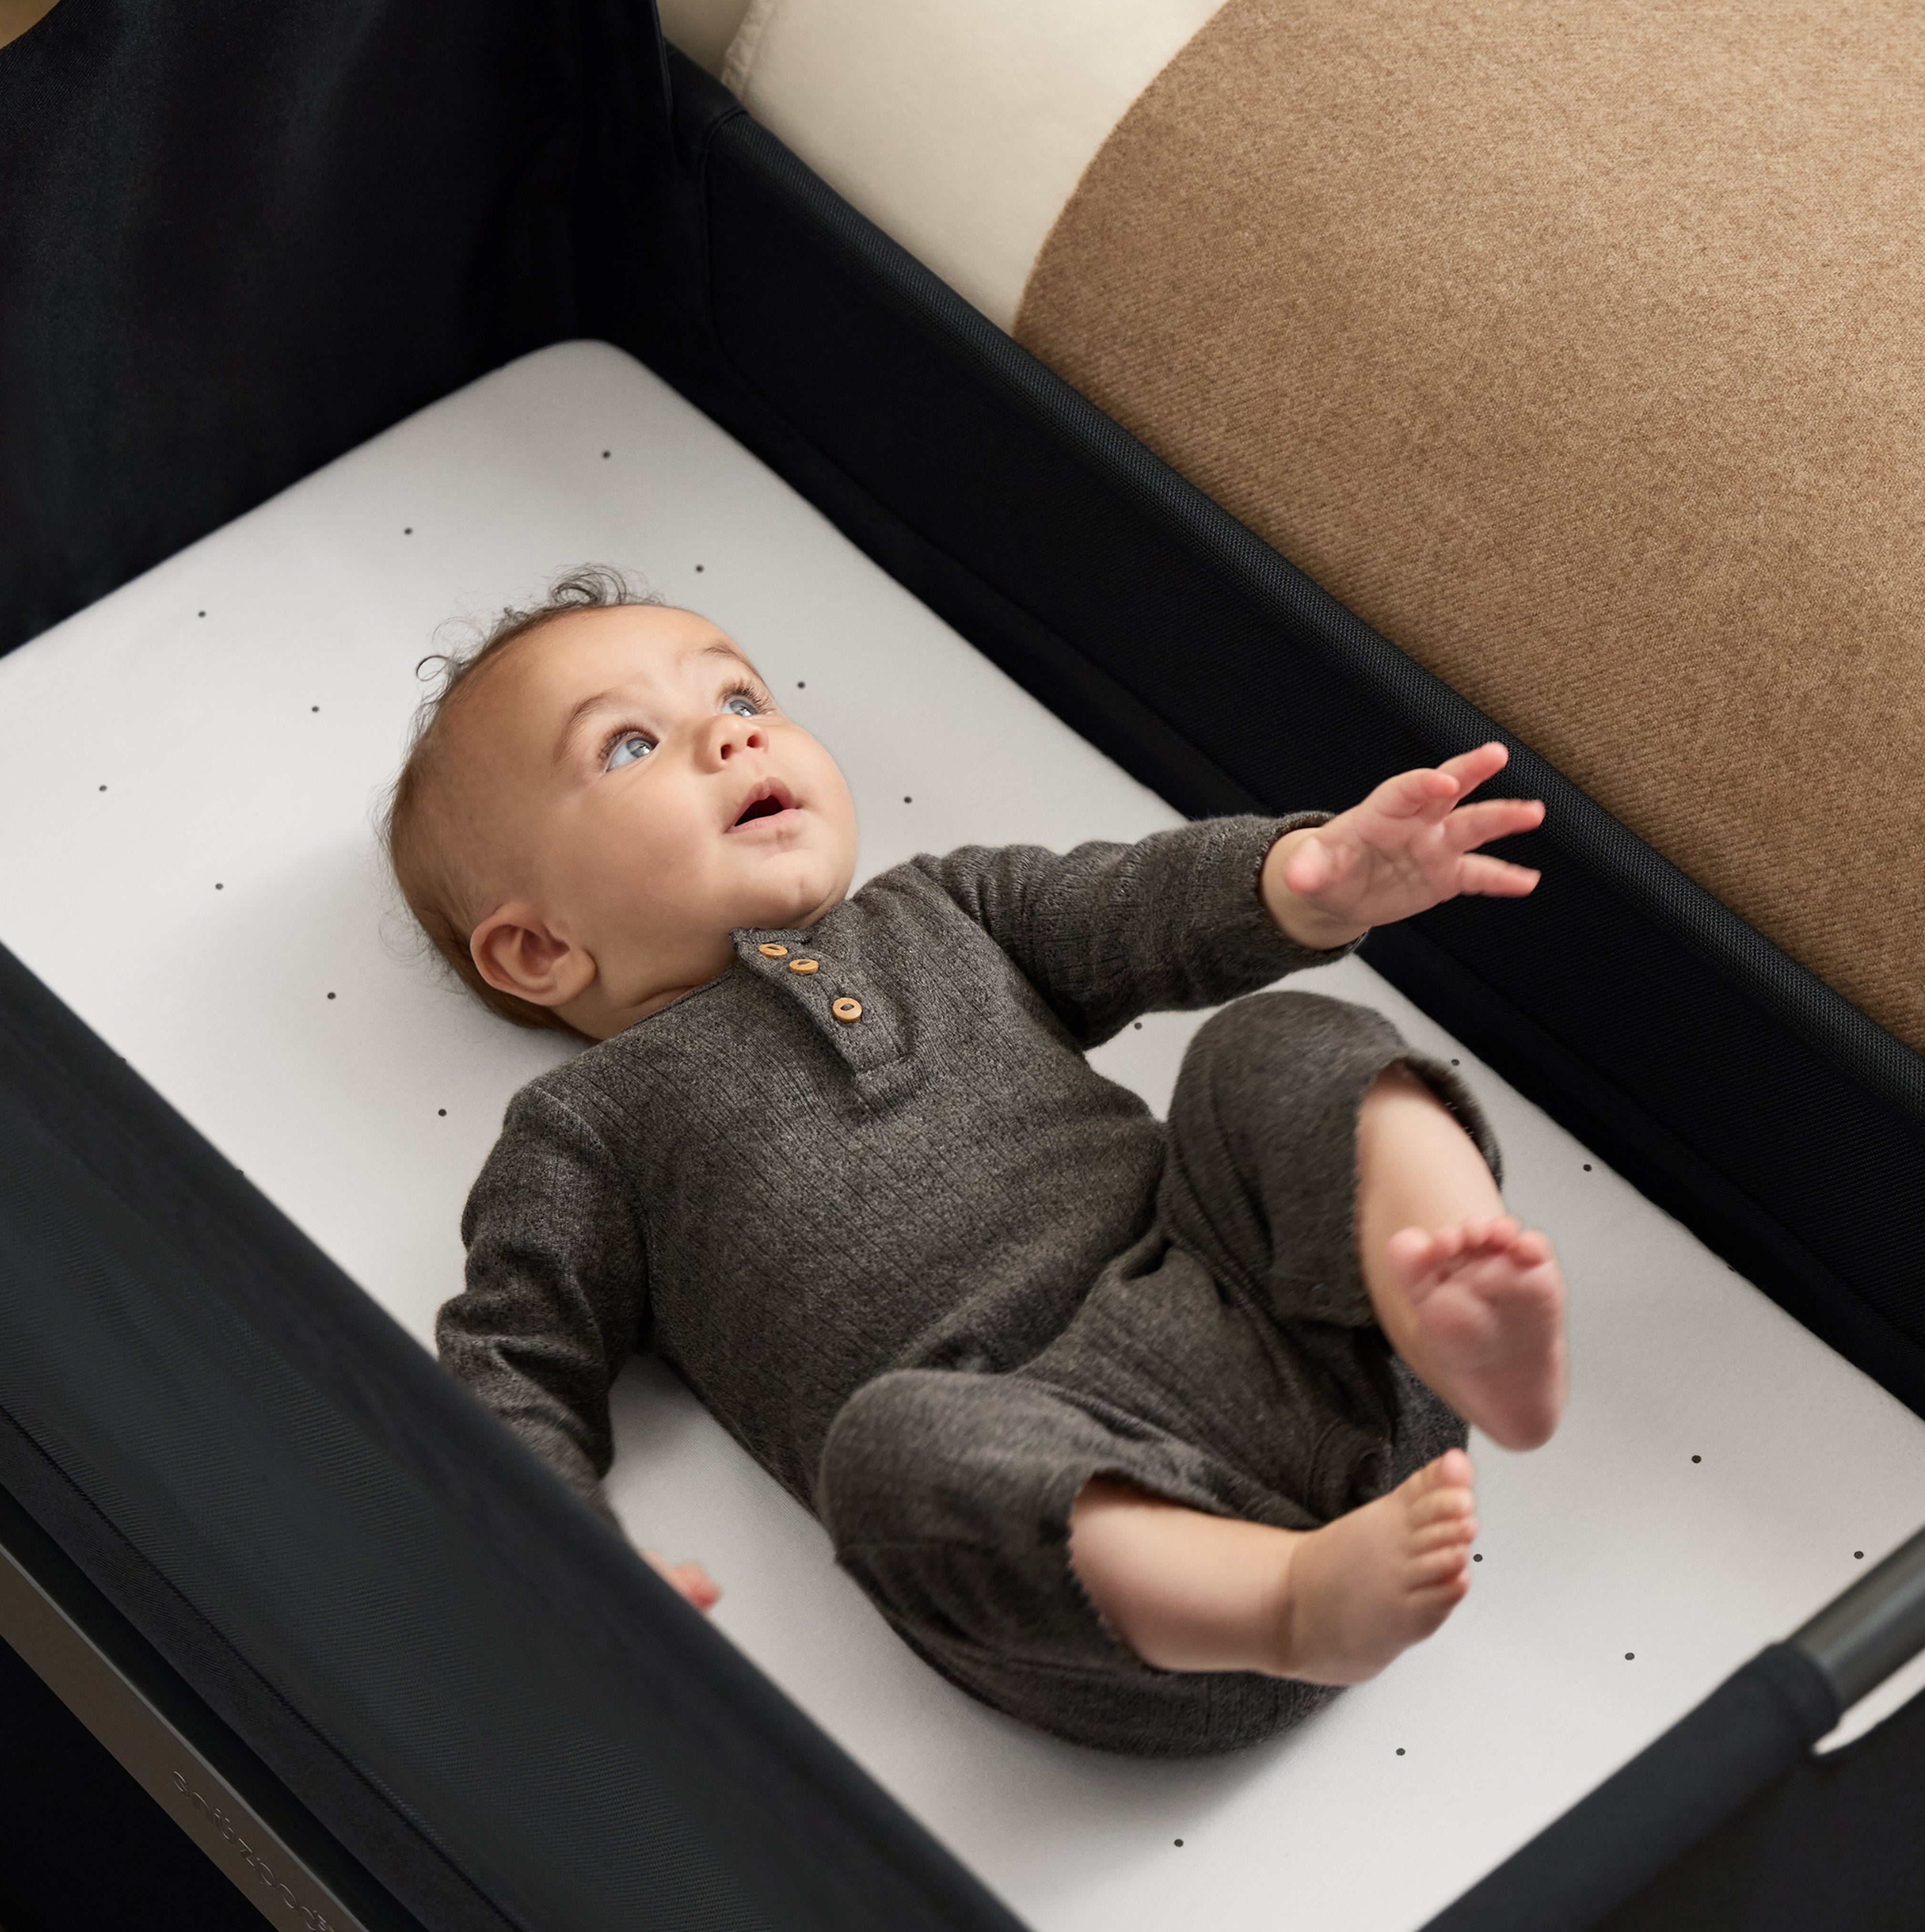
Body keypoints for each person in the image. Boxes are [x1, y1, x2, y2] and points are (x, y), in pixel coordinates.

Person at [387, 570, 1566, 1756]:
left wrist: (1303, 881)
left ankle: (1450, 1304)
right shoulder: (585, 1130)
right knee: (884, 1456)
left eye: (740, 695)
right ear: (538, 951)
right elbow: (508, 1363)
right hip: (1098, 1558)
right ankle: (1290, 1602)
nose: (730, 735)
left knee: (1276, 1043)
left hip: (1300, 1346)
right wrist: (571, 1561)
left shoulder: (945, 906)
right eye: (630, 746)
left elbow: (1132, 911)